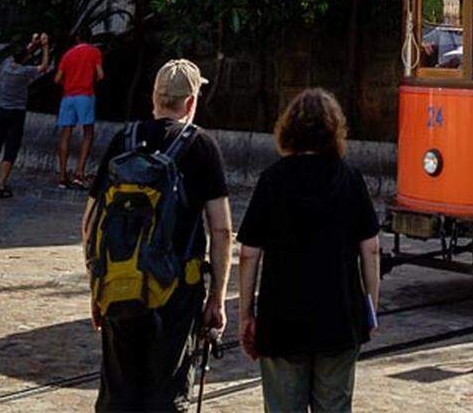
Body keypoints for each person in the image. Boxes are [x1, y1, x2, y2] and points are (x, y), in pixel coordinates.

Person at [85, 58, 231, 413]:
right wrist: (218, 297)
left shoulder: (125, 139)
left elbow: (89, 222)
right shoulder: (201, 146)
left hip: (119, 287)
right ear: (192, 102)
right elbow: (222, 229)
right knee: (166, 396)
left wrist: (98, 285)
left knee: (118, 395)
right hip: (176, 292)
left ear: (155, 97)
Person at [238, 88, 380, 413]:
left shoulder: (272, 179)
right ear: (335, 130)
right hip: (340, 319)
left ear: (287, 129)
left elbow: (249, 253)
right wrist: (369, 306)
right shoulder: (350, 178)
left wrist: (246, 314)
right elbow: (371, 249)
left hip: (281, 320)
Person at [0, 32, 50, 198]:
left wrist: (32, 44)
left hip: (2, 110)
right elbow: (44, 67)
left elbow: (22, 55)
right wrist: (45, 47)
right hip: (16, 112)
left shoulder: (6, 66)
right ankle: (1, 185)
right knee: (10, 149)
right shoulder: (25, 72)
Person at [56, 31, 104, 188]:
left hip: (68, 96)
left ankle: (62, 175)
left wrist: (68, 83)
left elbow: (57, 78)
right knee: (88, 133)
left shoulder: (67, 55)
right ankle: (79, 173)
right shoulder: (94, 52)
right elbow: (100, 75)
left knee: (65, 134)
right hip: (85, 95)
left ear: (76, 39)